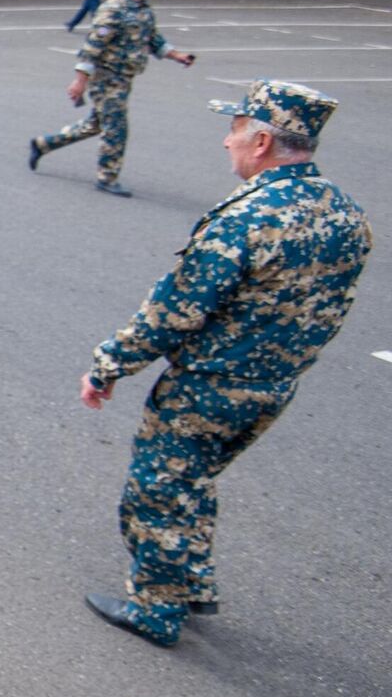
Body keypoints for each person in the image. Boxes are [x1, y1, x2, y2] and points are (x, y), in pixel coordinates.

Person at [79, 81, 372, 647]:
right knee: (195, 480)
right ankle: (188, 582)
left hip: (209, 386)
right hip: (274, 387)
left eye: (235, 129)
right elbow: (334, 307)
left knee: (157, 492)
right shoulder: (344, 212)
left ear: (261, 141)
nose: (226, 140)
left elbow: (175, 311)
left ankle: (156, 609)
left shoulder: (248, 217)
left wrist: (107, 366)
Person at [27, 0, 194, 197]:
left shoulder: (144, 9)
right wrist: (79, 82)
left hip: (124, 79)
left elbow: (153, 38)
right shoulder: (113, 9)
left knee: (95, 125)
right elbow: (92, 47)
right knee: (116, 128)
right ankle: (107, 177)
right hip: (107, 78)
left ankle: (43, 144)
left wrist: (178, 56)